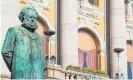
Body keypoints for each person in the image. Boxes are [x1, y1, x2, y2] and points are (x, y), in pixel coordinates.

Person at [1, 5, 45, 79]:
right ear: (24, 17)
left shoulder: (40, 37)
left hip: (37, 76)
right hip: (20, 74)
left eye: (35, 18)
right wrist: (15, 66)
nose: (33, 20)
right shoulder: (14, 31)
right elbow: (6, 52)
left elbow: (41, 59)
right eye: (31, 17)